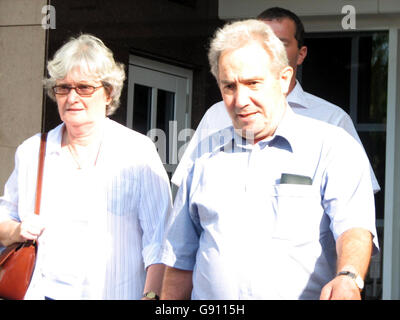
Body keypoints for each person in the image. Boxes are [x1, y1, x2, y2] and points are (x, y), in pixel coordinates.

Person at [160, 19, 378, 300]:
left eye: (253, 83)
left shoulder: (333, 146)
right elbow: (180, 260)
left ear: (284, 79)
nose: (240, 100)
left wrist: (348, 276)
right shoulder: (203, 154)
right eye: (229, 87)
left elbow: (355, 228)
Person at [0, 34, 171, 300]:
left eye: (84, 88)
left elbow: (159, 240)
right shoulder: (32, 151)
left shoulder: (137, 152)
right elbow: (4, 213)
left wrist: (151, 297)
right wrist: (15, 230)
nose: (72, 97)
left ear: (108, 93)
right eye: (63, 88)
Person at [171, 7, 380, 195]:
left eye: (280, 44)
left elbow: (356, 205)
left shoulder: (333, 120)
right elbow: (186, 190)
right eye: (262, 43)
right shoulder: (217, 115)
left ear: (300, 54)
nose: (270, 52)